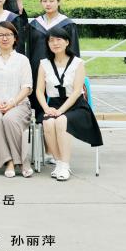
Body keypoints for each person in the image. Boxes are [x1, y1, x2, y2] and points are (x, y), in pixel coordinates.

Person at [36, 26, 103, 181]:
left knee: (61, 120)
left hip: (76, 105)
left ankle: (65, 165)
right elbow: (39, 91)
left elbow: (77, 91)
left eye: (59, 39)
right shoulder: (44, 63)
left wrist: (60, 111)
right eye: (51, 40)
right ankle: (59, 163)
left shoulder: (78, 63)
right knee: (48, 122)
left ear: (67, 42)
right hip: (53, 104)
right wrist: (46, 108)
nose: (55, 43)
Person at [0, 20, 34, 177]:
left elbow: (27, 87)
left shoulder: (22, 60)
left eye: (9, 34)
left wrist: (12, 103)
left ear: (15, 38)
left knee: (10, 119)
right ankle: (9, 161)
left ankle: (21, 161)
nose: (5, 38)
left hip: (19, 104)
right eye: (1, 35)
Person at [26, 0, 80, 82]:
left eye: (51, 1)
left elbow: (73, 49)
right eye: (44, 1)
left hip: (61, 70)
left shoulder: (67, 24)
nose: (48, 4)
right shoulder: (34, 24)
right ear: (41, 2)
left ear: (58, 2)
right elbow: (29, 51)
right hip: (37, 69)